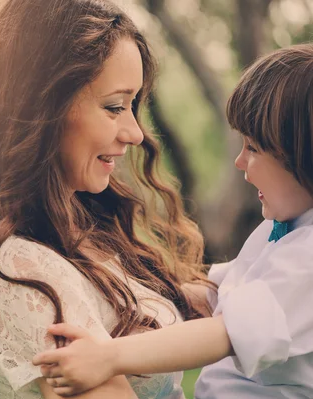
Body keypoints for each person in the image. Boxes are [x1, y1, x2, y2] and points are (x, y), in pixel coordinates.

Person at [0, 1, 212, 398]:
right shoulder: (21, 268)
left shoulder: (83, 232)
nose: (134, 132)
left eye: (134, 106)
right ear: (42, 107)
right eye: (115, 107)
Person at [32, 43, 313, 399]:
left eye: (253, 148)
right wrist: (117, 291)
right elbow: (212, 295)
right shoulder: (287, 230)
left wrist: (109, 357)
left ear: (304, 155)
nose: (239, 162)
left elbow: (223, 333)